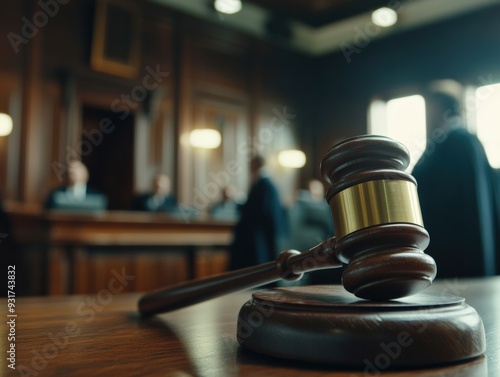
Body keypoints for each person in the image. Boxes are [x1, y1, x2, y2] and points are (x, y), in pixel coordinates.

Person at [411, 87, 497, 277]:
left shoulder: (454, 144)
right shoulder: (462, 142)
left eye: (430, 109)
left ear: (442, 109)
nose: (427, 116)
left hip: (455, 247)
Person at [228, 155, 288, 270]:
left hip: (259, 235)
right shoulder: (266, 184)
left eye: (251, 165)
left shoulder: (263, 184)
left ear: (256, 165)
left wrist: (238, 203)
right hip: (264, 233)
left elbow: (258, 211)